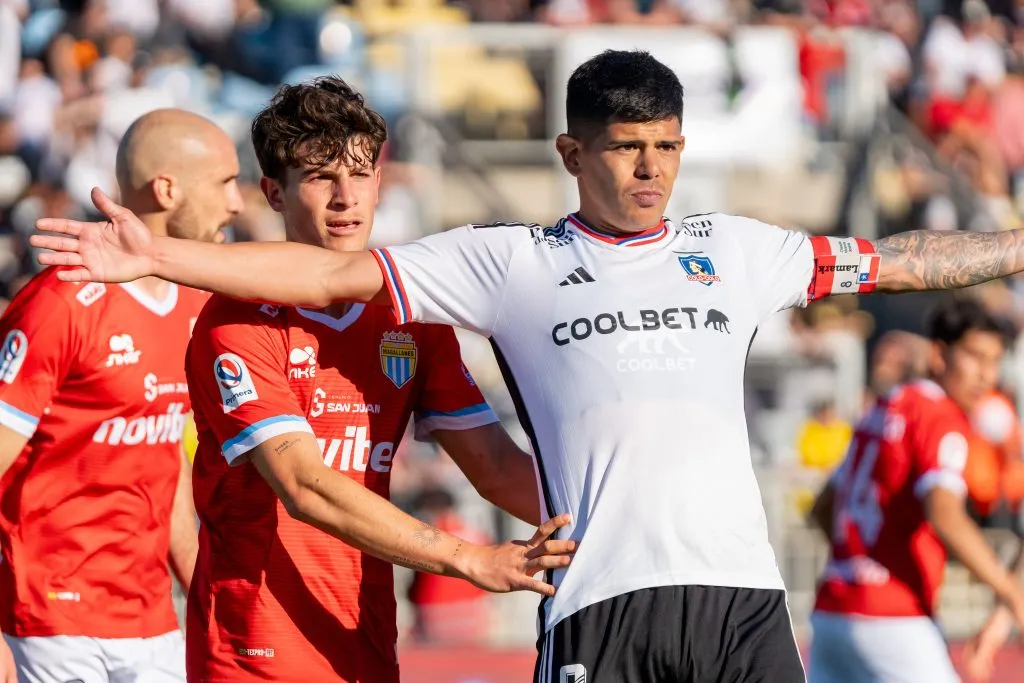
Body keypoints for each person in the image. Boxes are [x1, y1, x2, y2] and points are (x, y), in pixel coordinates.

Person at [31, 49, 1024, 681]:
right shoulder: (489, 265)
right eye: (628, 146)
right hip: (309, 636)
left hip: (716, 601)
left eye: (667, 146)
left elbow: (896, 263)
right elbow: (308, 441)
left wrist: (1017, 243)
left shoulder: (736, 248)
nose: (650, 168)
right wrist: (155, 253)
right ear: (569, 150)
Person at [182, 78, 569, 682]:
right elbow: (303, 486)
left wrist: (611, 521)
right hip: (255, 649)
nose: (345, 199)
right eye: (319, 178)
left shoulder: (410, 313)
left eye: (359, 175)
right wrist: (469, 559)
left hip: (364, 638)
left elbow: (493, 464)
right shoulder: (234, 321)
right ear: (273, 194)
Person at [0, 108, 243, 683]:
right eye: (225, 182)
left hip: (149, 616)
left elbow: (167, 471)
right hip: (46, 618)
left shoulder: (197, 303)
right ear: (167, 189)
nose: (236, 203)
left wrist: (205, 597)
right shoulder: (60, 302)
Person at [807, 298, 1024, 682]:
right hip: (893, 617)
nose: (985, 375)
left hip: (832, 613)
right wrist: (1010, 591)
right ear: (940, 354)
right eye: (974, 357)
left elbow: (824, 505)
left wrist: (862, 560)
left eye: (994, 361)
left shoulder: (884, 407)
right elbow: (944, 512)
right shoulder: (939, 416)